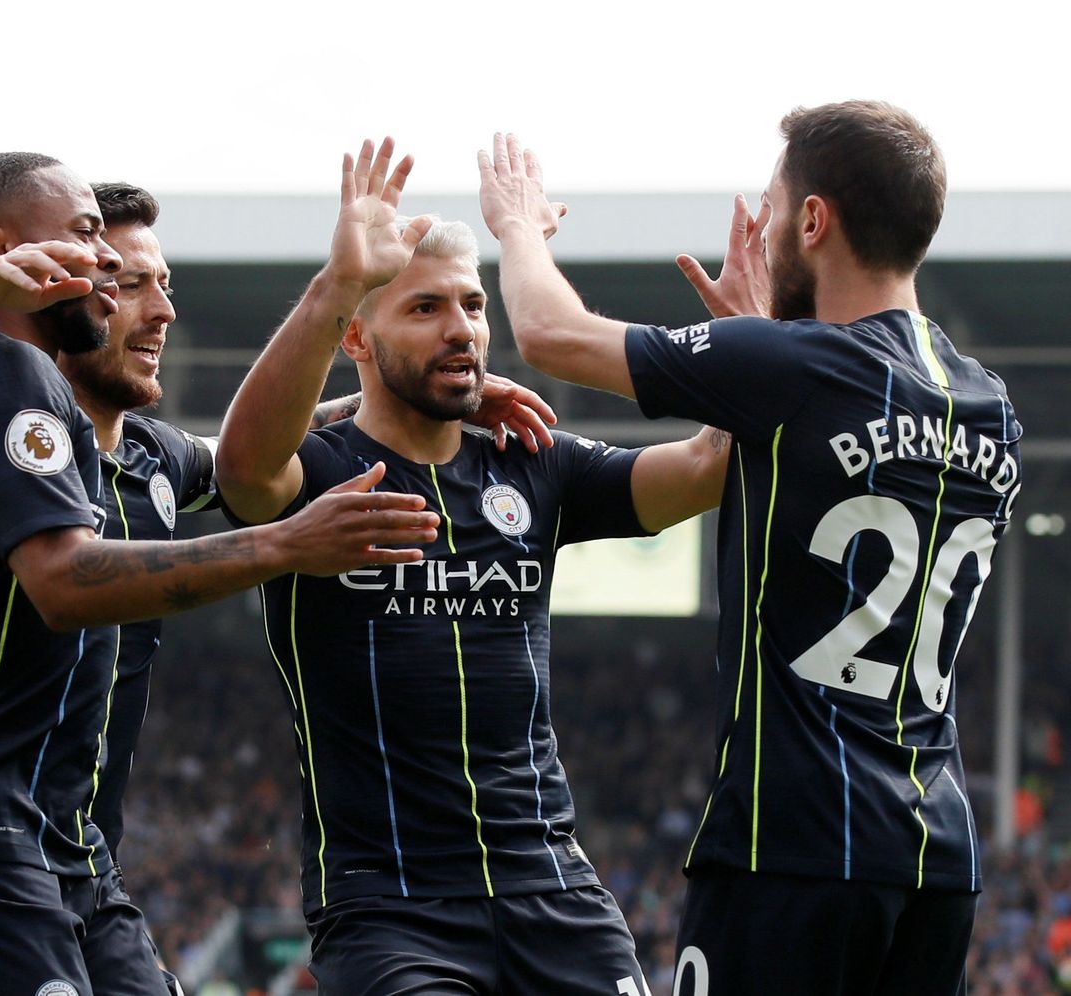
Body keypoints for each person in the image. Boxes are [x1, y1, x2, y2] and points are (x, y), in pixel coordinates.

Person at [0, 167, 548, 986]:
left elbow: (247, 455)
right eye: (123, 278)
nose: (155, 308)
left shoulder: (152, 459)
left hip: (75, 860)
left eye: (161, 283)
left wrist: (418, 391)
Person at [478, 103, 1022, 995]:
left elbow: (549, 334)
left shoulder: (796, 366)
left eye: (772, 208)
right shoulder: (991, 405)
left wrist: (516, 226)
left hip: (790, 848)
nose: (761, 228)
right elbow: (832, 456)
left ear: (814, 221)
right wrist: (756, 353)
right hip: (936, 862)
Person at [215, 138, 728, 996]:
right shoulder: (320, 473)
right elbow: (242, 470)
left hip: (552, 889)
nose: (461, 328)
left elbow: (707, 468)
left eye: (473, 304)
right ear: (358, 339)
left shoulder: (535, 462)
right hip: (391, 909)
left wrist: (742, 338)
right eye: (423, 309)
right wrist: (337, 279)